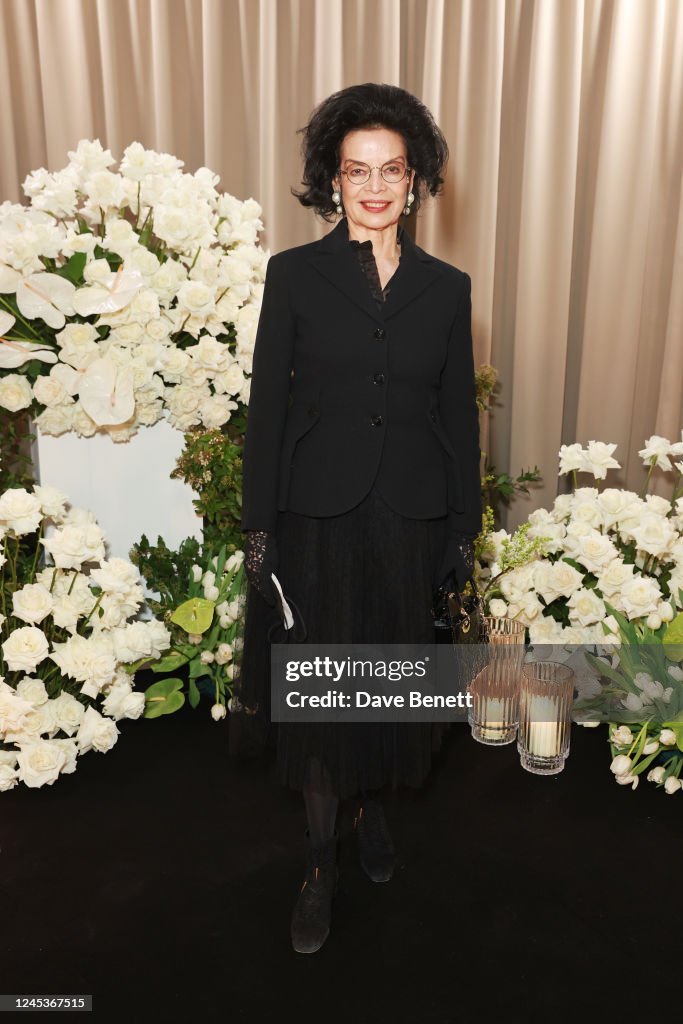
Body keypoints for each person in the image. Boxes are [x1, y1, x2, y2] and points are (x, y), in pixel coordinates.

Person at [230, 82, 482, 954]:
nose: (374, 186)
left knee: (387, 683)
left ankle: (374, 816)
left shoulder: (448, 288)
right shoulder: (293, 276)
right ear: (332, 182)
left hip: (411, 515)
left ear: (413, 182)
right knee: (323, 697)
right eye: (355, 171)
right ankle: (316, 859)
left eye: (392, 170)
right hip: (318, 518)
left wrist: (463, 525)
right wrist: (258, 529)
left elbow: (457, 413)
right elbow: (267, 410)